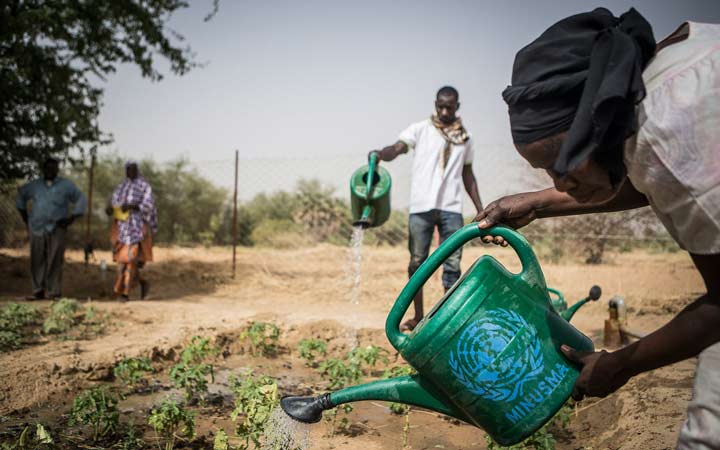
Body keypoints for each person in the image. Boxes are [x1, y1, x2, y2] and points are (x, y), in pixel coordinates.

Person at [474, 8, 720, 449]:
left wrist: (622, 363)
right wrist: (539, 204)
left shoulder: (672, 125)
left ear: (594, 124)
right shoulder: (643, 93)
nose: (558, 182)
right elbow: (648, 179)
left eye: (558, 165)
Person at [370, 86, 483, 331]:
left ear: (457, 107)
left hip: (451, 208)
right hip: (421, 206)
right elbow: (397, 148)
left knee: (452, 264)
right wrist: (381, 154)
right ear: (435, 104)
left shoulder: (466, 138)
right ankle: (418, 316)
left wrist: (480, 208)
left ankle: (446, 318)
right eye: (440, 106)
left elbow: (468, 174)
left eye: (449, 107)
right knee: (417, 262)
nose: (444, 111)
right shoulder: (420, 130)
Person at [15, 158, 87, 300]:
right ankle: (38, 291)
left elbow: (80, 198)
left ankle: (54, 292)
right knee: (37, 258)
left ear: (57, 170)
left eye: (53, 168)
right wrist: (25, 217)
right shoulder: (35, 185)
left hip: (57, 227)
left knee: (55, 259)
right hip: (37, 226)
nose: (50, 171)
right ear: (43, 169)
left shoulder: (66, 185)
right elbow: (21, 196)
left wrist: (71, 219)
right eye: (47, 168)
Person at [106, 160, 157, 302]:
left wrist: (134, 206)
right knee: (122, 263)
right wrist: (111, 208)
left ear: (137, 170)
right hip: (122, 229)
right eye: (128, 169)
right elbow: (113, 203)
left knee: (131, 260)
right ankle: (142, 283)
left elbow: (149, 206)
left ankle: (124, 293)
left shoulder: (144, 186)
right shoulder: (121, 186)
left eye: (133, 169)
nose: (130, 171)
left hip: (138, 229)